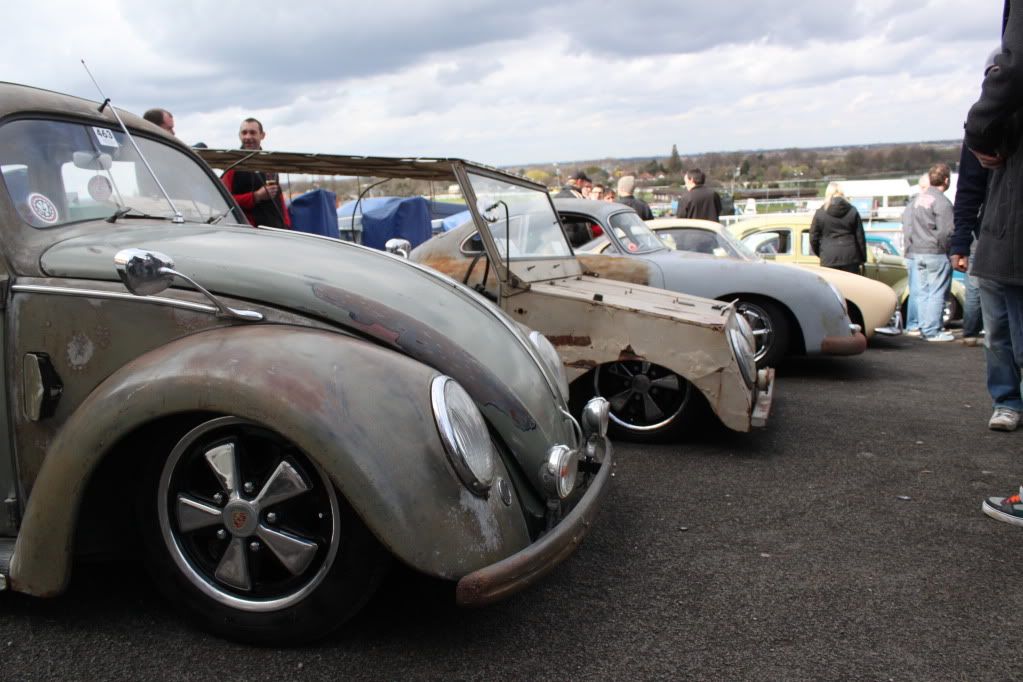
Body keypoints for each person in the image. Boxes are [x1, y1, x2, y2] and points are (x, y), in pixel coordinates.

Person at [902, 163, 955, 342]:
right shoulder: (942, 202)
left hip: (917, 252)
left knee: (923, 292)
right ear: (946, 180)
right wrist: (949, 251)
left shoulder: (917, 200)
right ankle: (932, 330)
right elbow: (947, 232)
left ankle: (924, 327)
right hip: (936, 252)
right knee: (937, 292)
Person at [951, 143, 990, 346]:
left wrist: (960, 243)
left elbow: (968, 192)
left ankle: (971, 332)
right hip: (988, 242)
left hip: (983, 240)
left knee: (974, 291)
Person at [220, 118, 291, 229]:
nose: (248, 137)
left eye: (252, 133)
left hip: (275, 229)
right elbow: (223, 200)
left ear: (262, 135)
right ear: (239, 135)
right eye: (244, 133)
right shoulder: (232, 166)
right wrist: (256, 196)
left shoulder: (269, 163)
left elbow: (279, 198)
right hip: (248, 232)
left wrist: (286, 224)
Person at [808, 183, 866, 274]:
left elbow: (813, 237)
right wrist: (863, 258)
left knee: (832, 286)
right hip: (850, 256)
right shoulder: (852, 211)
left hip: (828, 256)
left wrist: (822, 252)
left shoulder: (820, 213)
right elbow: (860, 237)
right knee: (851, 287)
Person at [903, 173, 929, 335]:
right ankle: (915, 323)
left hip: (912, 252)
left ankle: (915, 323)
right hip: (917, 252)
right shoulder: (918, 206)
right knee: (919, 291)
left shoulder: (911, 205)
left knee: (916, 290)